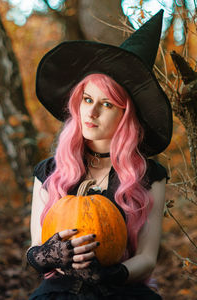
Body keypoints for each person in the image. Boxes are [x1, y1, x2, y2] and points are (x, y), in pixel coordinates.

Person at [27, 9, 173, 300]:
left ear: (125, 114)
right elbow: (34, 248)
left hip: (123, 291)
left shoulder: (148, 176)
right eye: (87, 99)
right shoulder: (49, 172)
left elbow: (146, 258)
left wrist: (111, 274)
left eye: (106, 104)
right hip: (60, 292)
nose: (90, 113)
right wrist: (49, 254)